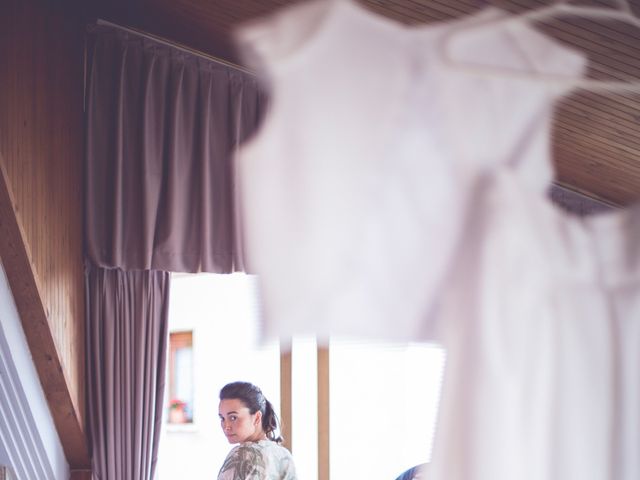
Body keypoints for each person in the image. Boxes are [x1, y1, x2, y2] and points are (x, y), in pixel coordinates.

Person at [217, 381, 298, 480]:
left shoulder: (242, 455)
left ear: (257, 418)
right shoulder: (284, 455)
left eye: (233, 417)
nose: (226, 426)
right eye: (222, 418)